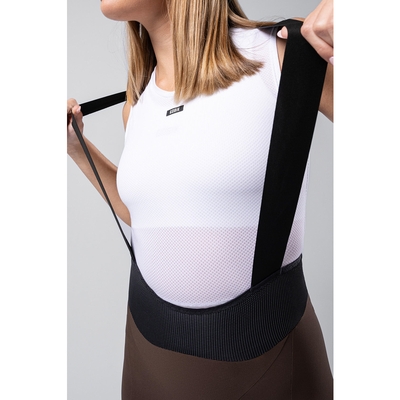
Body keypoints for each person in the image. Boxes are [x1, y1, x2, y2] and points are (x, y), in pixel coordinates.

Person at [68, 0, 333, 398]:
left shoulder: (287, 53)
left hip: (267, 358)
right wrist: (76, 149)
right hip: (146, 356)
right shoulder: (136, 105)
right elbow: (151, 219)